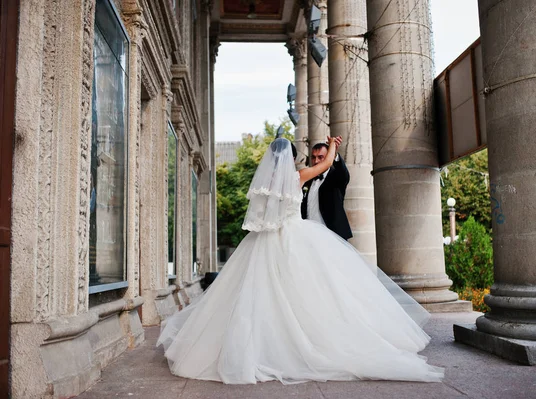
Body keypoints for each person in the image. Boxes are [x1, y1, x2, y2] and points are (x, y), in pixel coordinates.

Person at [157, 137, 443, 384]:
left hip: (264, 242)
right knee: (310, 293)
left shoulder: (263, 185)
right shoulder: (298, 177)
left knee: (257, 295)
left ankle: (262, 346)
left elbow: (262, 217)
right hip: (295, 237)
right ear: (292, 159)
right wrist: (332, 145)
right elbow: (327, 164)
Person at [301, 138, 352, 240]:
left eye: (320, 157)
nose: (316, 161)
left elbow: (344, 174)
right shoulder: (307, 181)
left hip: (332, 235)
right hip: (310, 235)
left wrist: (334, 154)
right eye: (313, 157)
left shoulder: (336, 176)